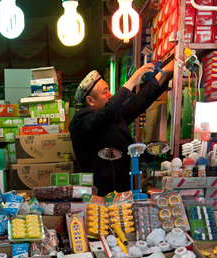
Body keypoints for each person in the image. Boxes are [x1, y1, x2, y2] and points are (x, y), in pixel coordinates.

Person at [69, 61, 174, 196]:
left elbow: (140, 100)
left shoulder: (112, 117)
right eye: (105, 92)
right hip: (99, 194)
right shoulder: (80, 120)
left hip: (123, 188)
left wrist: (164, 72)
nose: (111, 94)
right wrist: (132, 81)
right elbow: (108, 112)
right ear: (90, 101)